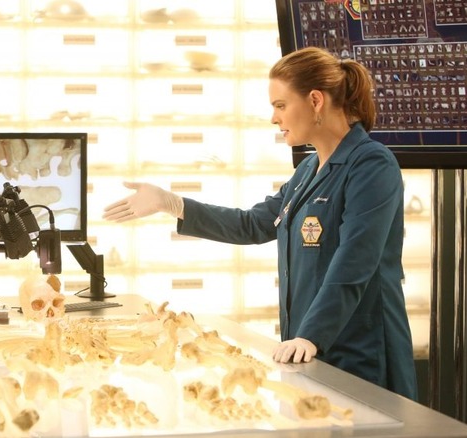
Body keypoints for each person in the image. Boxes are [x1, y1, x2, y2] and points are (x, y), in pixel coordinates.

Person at [103, 46, 417, 400]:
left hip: (361, 353)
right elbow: (252, 225)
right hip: (310, 349)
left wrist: (311, 335)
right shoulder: (307, 171)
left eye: (280, 105)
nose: (273, 118)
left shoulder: (372, 165)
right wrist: (172, 204)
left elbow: (355, 260)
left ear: (315, 101)